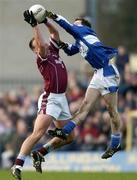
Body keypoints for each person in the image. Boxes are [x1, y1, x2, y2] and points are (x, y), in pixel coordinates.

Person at [45, 11, 121, 159]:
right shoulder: (80, 40)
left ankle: (115, 142)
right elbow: (69, 50)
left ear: (83, 25)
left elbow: (68, 27)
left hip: (107, 72)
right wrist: (59, 43)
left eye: (77, 22)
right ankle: (65, 131)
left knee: (112, 111)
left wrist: (52, 16)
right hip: (98, 73)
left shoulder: (85, 30)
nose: (75, 23)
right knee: (84, 106)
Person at [11, 11, 74, 180]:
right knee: (37, 133)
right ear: (36, 49)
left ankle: (40, 153)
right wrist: (34, 25)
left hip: (62, 98)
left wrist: (45, 20)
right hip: (51, 98)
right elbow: (41, 43)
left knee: (69, 137)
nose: (43, 41)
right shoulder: (42, 56)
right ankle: (17, 165)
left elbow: (55, 33)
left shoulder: (54, 50)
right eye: (38, 43)